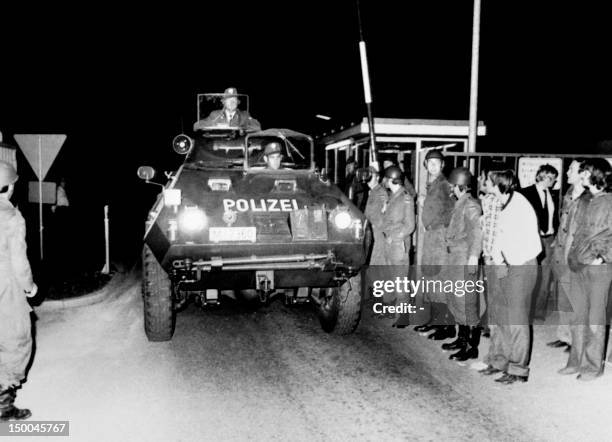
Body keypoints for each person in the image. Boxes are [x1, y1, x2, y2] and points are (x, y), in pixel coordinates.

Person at [479, 170, 541, 385]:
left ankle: (518, 369)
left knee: (516, 319)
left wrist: (504, 262)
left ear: (497, 184)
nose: (484, 184)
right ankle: (497, 361)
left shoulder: (519, 206)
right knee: (498, 316)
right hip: (503, 265)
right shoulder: (500, 203)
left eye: (487, 181)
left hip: (520, 267)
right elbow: (497, 238)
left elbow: (528, 246)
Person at [562, 158, 612, 381]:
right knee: (577, 316)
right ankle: (575, 362)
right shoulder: (583, 200)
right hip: (578, 264)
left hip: (598, 268)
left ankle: (592, 367)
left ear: (595, 175)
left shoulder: (609, 201)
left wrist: (602, 257)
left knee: (595, 318)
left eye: (585, 172)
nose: (581, 175)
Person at [0, 160, 37, 421]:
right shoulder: (11, 216)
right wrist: (30, 287)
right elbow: (18, 262)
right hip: (5, 284)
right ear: (8, 187)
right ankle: (3, 406)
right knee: (15, 340)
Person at [441, 167, 483, 361]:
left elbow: (477, 232)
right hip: (455, 257)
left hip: (464, 258)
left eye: (452, 185)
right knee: (455, 299)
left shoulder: (471, 205)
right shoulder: (460, 203)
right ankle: (461, 338)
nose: (450, 188)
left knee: (466, 302)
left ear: (458, 185)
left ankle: (471, 347)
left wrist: (474, 256)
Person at [413, 150, 455, 340]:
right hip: (430, 236)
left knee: (439, 280)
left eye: (436, 163)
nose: (433, 166)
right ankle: (434, 320)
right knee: (430, 278)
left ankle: (445, 325)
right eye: (430, 163)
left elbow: (452, 212)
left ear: (442, 165)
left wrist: (445, 234)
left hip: (439, 236)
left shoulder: (445, 185)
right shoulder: (431, 185)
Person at [548, 160, 586, 352]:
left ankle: (576, 339)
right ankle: (564, 335)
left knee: (575, 298)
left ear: (582, 173)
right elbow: (563, 222)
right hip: (560, 250)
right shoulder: (569, 193)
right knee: (562, 295)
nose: (567, 172)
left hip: (575, 254)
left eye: (571, 169)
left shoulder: (588, 197)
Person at [520, 164, 559, 320]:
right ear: (545, 177)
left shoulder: (552, 194)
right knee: (530, 277)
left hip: (549, 239)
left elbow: (553, 217)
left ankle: (538, 312)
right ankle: (525, 311)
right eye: (553, 178)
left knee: (545, 276)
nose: (554, 182)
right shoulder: (525, 193)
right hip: (532, 239)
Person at [380, 166, 415, 315]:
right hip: (389, 243)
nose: (384, 182)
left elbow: (410, 225)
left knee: (400, 280)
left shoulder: (405, 198)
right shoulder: (392, 196)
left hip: (398, 244)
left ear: (391, 179)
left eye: (386, 179)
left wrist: (395, 237)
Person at [193, 87, 261, 132]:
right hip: (218, 147)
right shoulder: (215, 115)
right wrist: (213, 126)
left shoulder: (244, 115)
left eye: (234, 99)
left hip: (238, 146)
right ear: (224, 102)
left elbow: (257, 126)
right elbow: (196, 126)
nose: (232, 102)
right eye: (229, 99)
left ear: (237, 102)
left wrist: (243, 128)